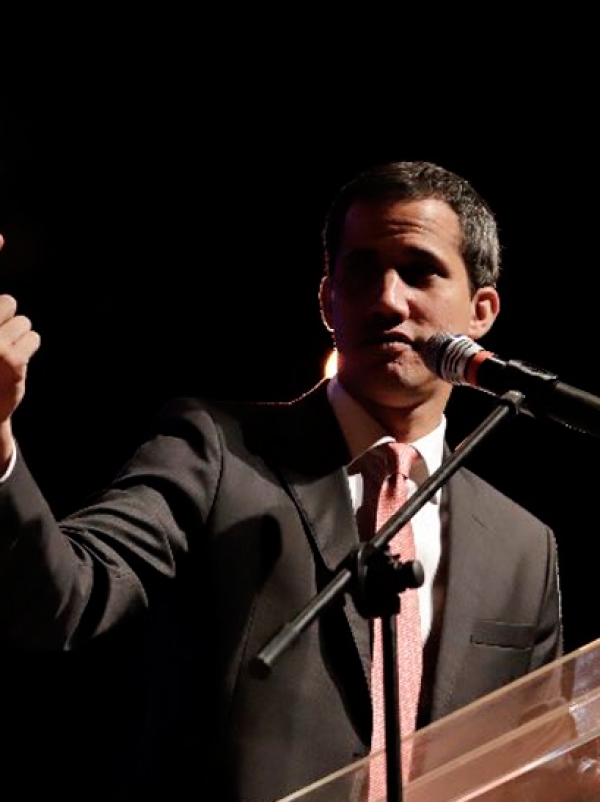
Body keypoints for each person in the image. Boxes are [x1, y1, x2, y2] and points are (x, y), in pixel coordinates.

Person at [0, 161, 563, 802]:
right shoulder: (218, 453)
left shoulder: (524, 548)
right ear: (328, 302)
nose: (387, 299)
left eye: (419, 270)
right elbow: (58, 602)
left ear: (481, 311)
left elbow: (538, 765)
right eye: (362, 272)